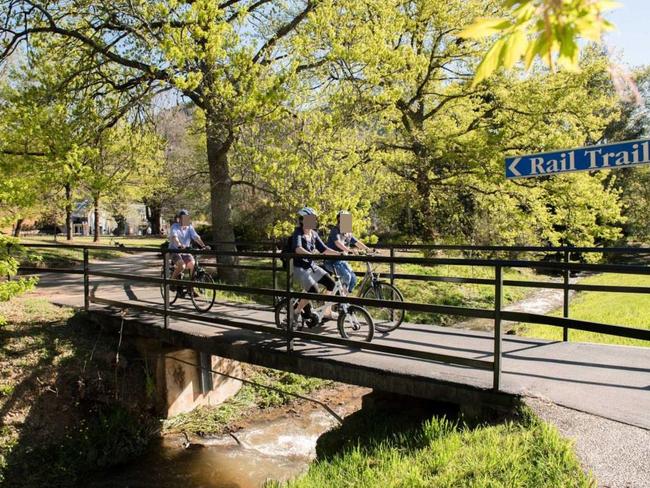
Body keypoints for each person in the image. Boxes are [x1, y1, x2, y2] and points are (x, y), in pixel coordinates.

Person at [291, 207, 343, 322]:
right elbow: (298, 249)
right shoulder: (298, 232)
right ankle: (296, 311)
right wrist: (311, 254)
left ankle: (326, 311)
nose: (313, 221)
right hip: (299, 268)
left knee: (332, 284)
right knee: (314, 290)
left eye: (314, 219)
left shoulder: (314, 234)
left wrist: (338, 253)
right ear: (302, 220)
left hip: (312, 266)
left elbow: (324, 249)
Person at [324, 211, 371, 293]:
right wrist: (349, 250)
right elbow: (337, 243)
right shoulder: (335, 231)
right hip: (331, 261)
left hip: (341, 261)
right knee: (346, 276)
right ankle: (342, 301)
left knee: (353, 279)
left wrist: (368, 249)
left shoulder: (348, 233)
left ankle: (342, 298)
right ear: (339, 220)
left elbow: (357, 242)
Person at [168, 209, 208, 284]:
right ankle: (171, 282)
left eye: (186, 218)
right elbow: (174, 237)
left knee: (193, 265)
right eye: (183, 218)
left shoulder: (189, 227)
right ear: (179, 219)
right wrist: (179, 245)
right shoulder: (175, 226)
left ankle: (191, 287)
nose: (185, 220)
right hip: (175, 251)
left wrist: (203, 246)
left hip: (186, 251)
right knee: (182, 266)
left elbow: (196, 237)